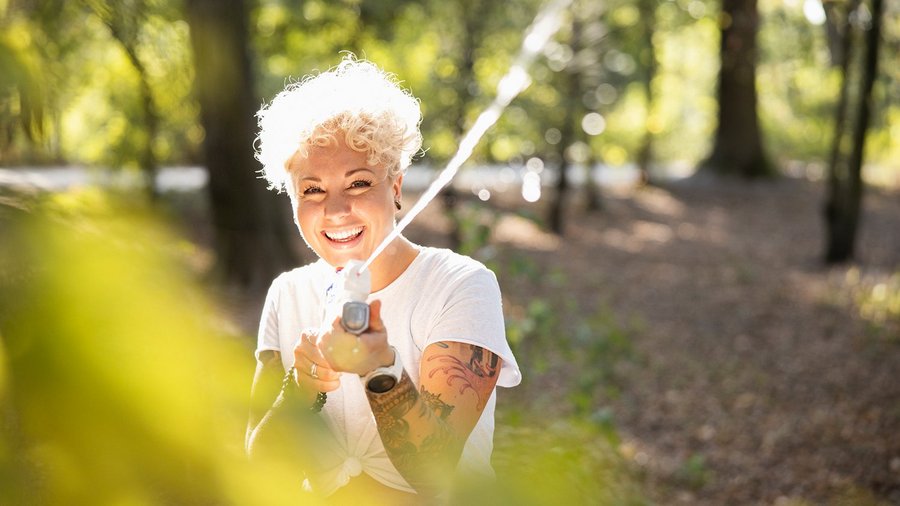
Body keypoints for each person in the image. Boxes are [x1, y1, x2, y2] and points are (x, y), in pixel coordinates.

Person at [245, 56, 521, 503]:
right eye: (312, 189)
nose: (335, 210)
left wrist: (380, 368)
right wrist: (302, 388)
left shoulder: (462, 285)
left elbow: (434, 474)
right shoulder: (287, 294)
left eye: (357, 183)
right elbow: (260, 467)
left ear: (395, 188)